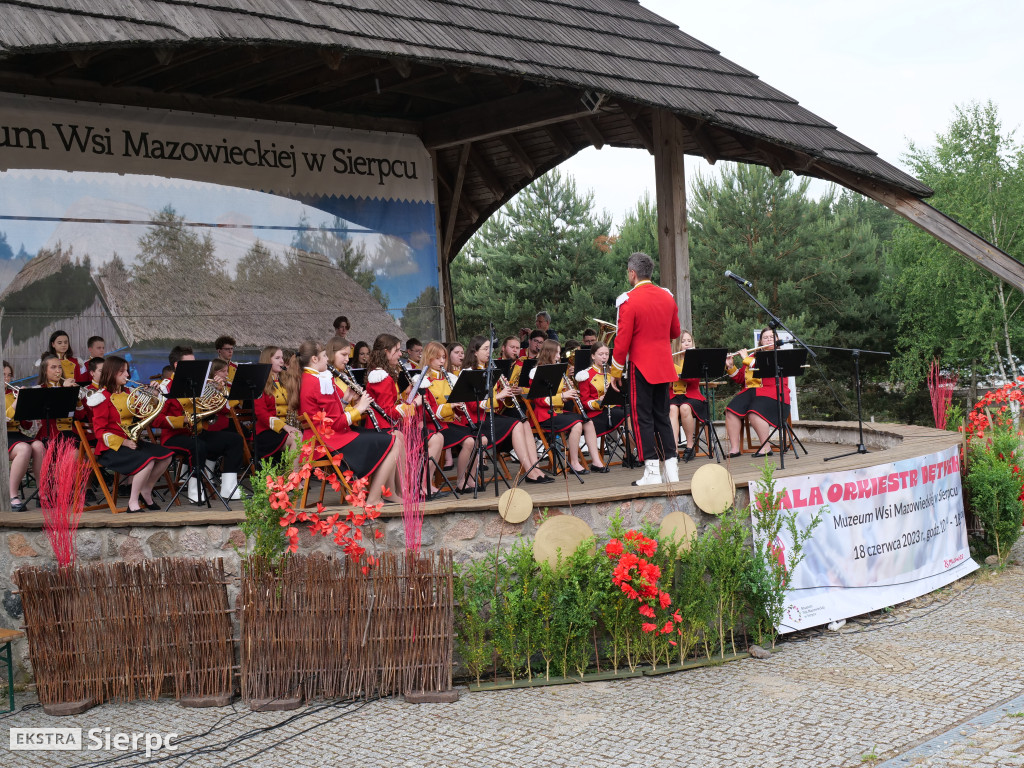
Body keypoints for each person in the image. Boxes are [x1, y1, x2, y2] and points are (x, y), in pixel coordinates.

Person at [288, 339, 401, 506]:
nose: (328, 359)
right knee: (394, 442)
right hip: (331, 441)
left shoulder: (310, 379)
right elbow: (335, 424)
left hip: (324, 438)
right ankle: (374, 497)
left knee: (390, 436)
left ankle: (382, 492)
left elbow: (328, 415)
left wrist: (345, 400)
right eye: (325, 355)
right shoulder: (319, 382)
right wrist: (360, 408)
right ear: (314, 359)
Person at [609, 251, 681, 486]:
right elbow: (675, 332)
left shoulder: (628, 300)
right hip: (664, 366)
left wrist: (615, 371)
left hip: (640, 366)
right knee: (662, 416)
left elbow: (622, 341)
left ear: (632, 273)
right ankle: (671, 469)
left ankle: (651, 471)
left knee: (642, 418)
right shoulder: (668, 297)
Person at [154, 345, 245, 502]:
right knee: (198, 445)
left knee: (234, 440)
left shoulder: (198, 384)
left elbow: (215, 407)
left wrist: (219, 390)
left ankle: (229, 488)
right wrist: (182, 420)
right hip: (173, 437)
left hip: (197, 432)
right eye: (191, 362)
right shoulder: (164, 387)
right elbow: (156, 420)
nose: (196, 367)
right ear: (177, 365)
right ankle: (195, 491)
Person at [87, 356, 174, 513]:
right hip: (110, 448)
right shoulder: (101, 397)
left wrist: (154, 393)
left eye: (127, 371)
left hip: (132, 442)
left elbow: (145, 414)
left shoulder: (130, 392)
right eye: (122, 371)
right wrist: (123, 442)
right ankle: (133, 502)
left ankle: (146, 490)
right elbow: (99, 431)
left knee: (166, 455)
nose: (127, 375)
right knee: (147, 461)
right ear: (112, 373)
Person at [467, 336, 553, 484]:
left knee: (524, 422)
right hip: (478, 421)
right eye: (485, 349)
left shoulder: (491, 370)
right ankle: (530, 471)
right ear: (475, 352)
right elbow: (474, 406)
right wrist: (499, 395)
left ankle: (535, 467)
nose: (489, 353)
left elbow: (497, 403)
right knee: (517, 423)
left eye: (490, 349)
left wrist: (504, 392)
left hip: (491, 416)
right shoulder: (470, 372)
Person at [530, 339, 607, 475]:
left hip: (558, 412)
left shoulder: (558, 370)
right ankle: (574, 462)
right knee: (577, 423)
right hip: (545, 415)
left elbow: (561, 395)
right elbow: (540, 401)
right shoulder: (537, 373)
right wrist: (564, 396)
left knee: (588, 422)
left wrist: (570, 391)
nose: (560, 356)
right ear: (549, 353)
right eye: (557, 353)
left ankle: (596, 461)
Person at [725, 327, 787, 458]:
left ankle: (765, 447)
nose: (769, 339)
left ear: (777, 340)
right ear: (760, 341)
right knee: (731, 410)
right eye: (765, 338)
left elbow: (763, 367)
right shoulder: (753, 356)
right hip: (751, 393)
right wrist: (730, 366)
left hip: (773, 393)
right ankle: (735, 448)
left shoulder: (779, 355)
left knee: (754, 413)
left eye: (771, 337)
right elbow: (741, 378)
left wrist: (746, 358)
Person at [5, 361, 44, 512]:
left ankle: (42, 492)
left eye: (9, 375)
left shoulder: (11, 394)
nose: (7, 379)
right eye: (3, 375)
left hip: (16, 434)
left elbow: (25, 426)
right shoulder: (12, 397)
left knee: (39, 446)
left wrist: (27, 406)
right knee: (24, 449)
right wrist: (16, 403)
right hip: (3, 436)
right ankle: (12, 495)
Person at [253, 346, 301, 464]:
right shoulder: (259, 382)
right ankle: (293, 479)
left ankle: (297, 477)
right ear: (267, 360)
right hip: (267, 431)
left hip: (287, 428)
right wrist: (285, 427)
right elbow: (261, 413)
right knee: (298, 439)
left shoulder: (285, 380)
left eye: (282, 358)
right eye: (277, 358)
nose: (282, 361)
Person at [669, 331, 710, 462]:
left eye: (689, 341)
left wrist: (680, 372)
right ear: (677, 344)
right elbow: (666, 384)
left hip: (691, 395)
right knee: (672, 409)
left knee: (685, 408)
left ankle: (689, 445)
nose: (686, 344)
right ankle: (673, 449)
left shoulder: (695, 359)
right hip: (673, 395)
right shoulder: (670, 359)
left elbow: (694, 381)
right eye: (683, 341)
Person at [577, 342, 626, 444]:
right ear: (593, 356)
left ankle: (630, 453)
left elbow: (622, 395)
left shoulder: (613, 372)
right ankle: (633, 452)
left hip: (615, 408)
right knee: (628, 415)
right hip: (598, 413)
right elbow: (584, 402)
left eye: (607, 354)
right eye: (601, 354)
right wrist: (600, 401)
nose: (604, 357)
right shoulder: (586, 375)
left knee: (633, 414)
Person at [37, 352, 80, 442]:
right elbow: (55, 412)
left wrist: (78, 398)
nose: (58, 371)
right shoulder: (40, 390)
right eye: (53, 367)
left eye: (60, 367)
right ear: (44, 371)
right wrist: (66, 391)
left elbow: (81, 415)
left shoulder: (66, 387)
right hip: (52, 434)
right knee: (75, 452)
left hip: (72, 432)